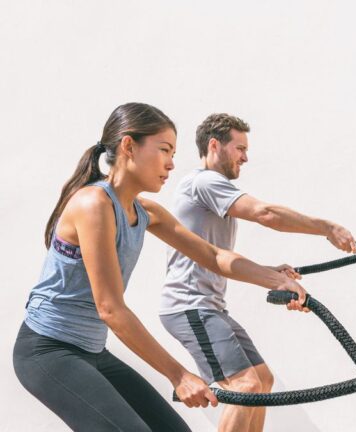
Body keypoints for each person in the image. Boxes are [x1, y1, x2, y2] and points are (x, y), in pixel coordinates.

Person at [13, 103, 309, 432]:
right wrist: (179, 375)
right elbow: (110, 309)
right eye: (164, 150)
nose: (170, 164)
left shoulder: (146, 212)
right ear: (128, 146)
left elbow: (213, 257)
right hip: (47, 351)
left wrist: (274, 279)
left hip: (91, 352)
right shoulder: (93, 204)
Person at [159, 113, 356, 432]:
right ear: (214, 145)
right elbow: (265, 214)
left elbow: (214, 255)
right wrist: (325, 227)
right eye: (239, 148)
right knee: (245, 387)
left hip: (209, 307)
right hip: (189, 307)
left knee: (261, 381)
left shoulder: (207, 189)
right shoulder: (205, 181)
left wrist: (269, 271)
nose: (246, 157)